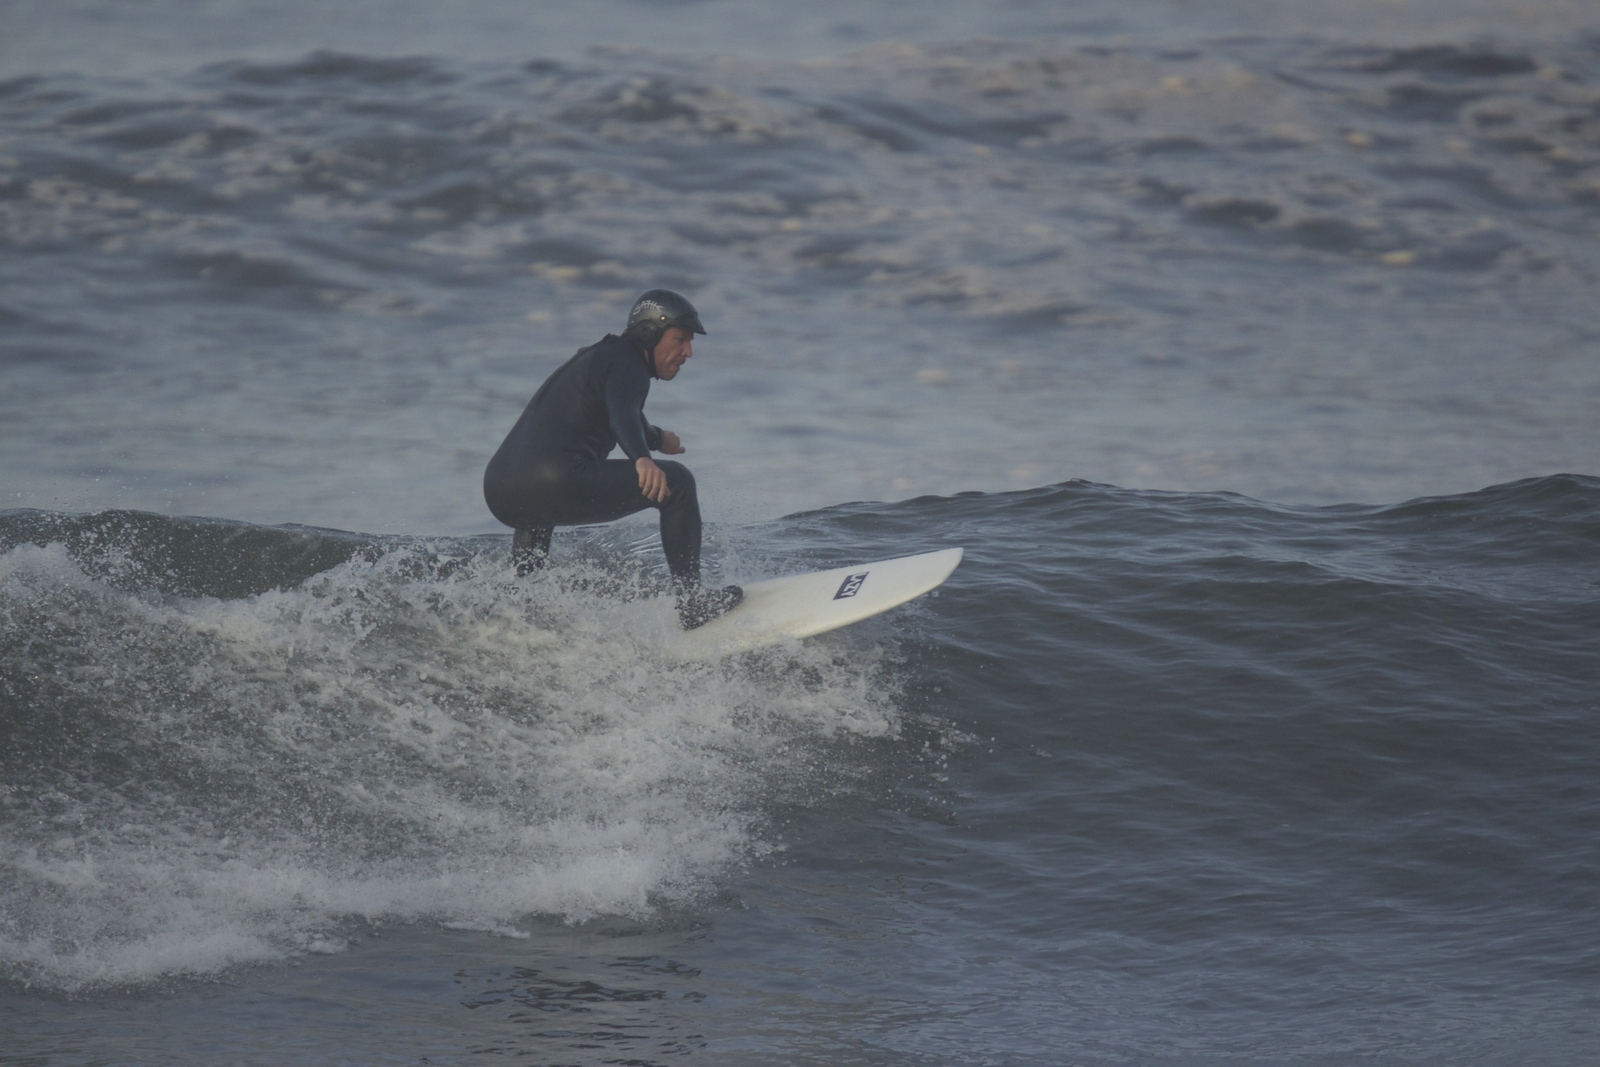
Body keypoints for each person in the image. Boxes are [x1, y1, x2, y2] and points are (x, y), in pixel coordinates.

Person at [483, 289, 743, 629]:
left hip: (502, 490)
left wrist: (657, 437)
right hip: (557, 479)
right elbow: (622, 413)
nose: (688, 352)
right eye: (680, 340)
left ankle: (517, 613)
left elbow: (617, 411)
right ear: (649, 334)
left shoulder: (601, 358)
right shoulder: (628, 364)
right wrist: (642, 458)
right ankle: (692, 602)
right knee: (677, 483)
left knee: (540, 506)